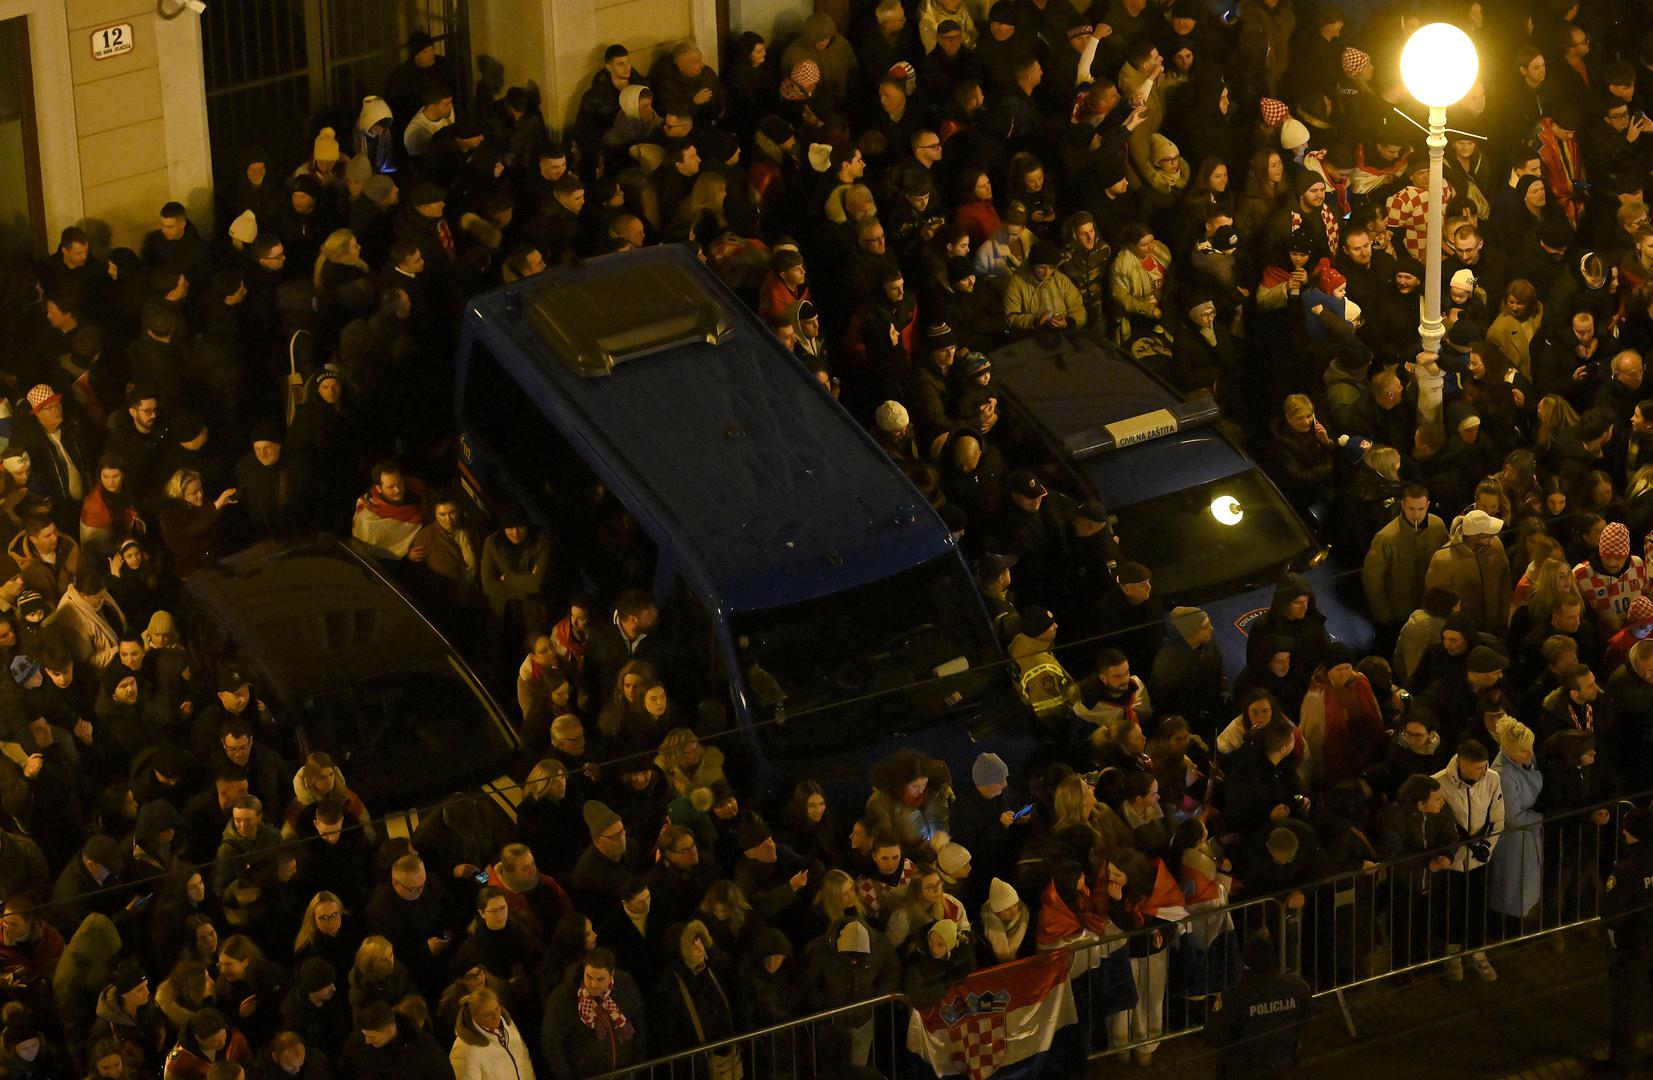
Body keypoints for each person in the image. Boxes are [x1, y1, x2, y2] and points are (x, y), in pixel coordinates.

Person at [1202, 935, 1312, 1077]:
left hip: (1244, 1071)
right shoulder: (1296, 987)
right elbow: (1306, 1018)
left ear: (1245, 963)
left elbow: (1213, 1036)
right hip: (1283, 1066)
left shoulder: (1235, 996)